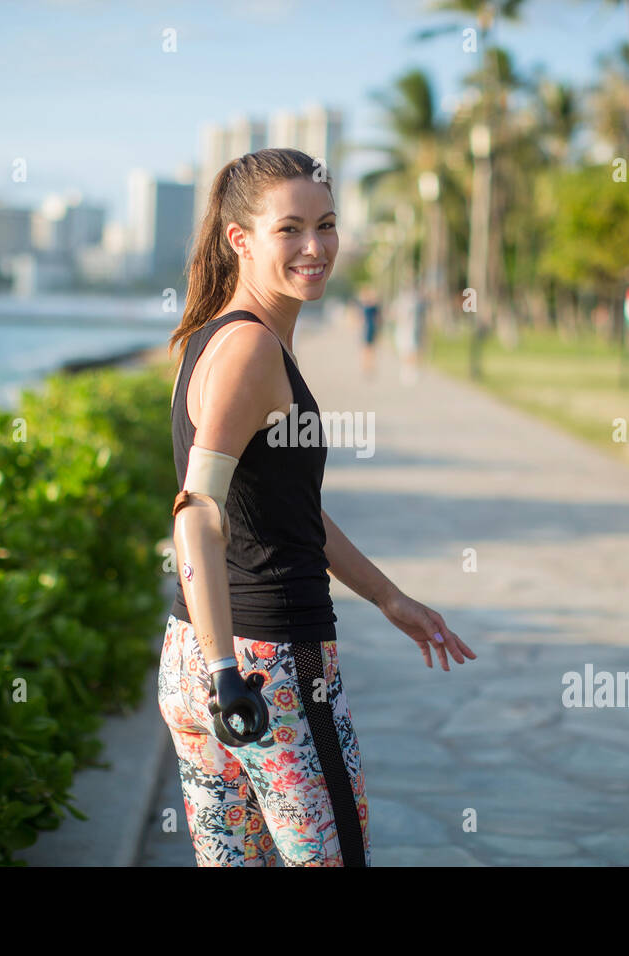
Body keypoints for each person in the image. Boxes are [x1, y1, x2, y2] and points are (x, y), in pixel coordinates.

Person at [162, 147, 476, 867]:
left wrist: (390, 599)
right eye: (291, 229)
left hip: (192, 657)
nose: (316, 246)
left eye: (327, 224)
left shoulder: (216, 337)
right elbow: (197, 513)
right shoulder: (250, 351)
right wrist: (227, 674)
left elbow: (284, 513)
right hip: (267, 668)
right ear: (239, 239)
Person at [357, 285, 381, 379]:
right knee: (368, 349)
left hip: (368, 328)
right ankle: (367, 366)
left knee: (368, 349)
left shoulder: (368, 306)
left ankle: (367, 366)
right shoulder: (370, 307)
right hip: (369, 328)